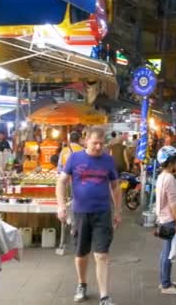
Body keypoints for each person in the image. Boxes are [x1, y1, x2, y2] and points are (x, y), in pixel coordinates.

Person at [56, 127, 121, 305]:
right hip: (80, 213)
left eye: (101, 143)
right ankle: (81, 284)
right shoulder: (74, 158)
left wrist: (118, 211)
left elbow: (115, 186)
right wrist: (61, 206)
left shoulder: (108, 160)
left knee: (102, 255)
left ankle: (104, 296)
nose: (98, 147)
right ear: (86, 140)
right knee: (81, 253)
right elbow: (61, 182)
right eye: (95, 143)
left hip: (102, 213)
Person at [155, 146, 176, 295]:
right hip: (169, 219)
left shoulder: (162, 176)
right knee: (168, 253)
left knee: (165, 252)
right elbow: (173, 202)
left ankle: (164, 281)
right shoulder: (170, 178)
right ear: (170, 162)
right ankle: (166, 285)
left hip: (163, 218)